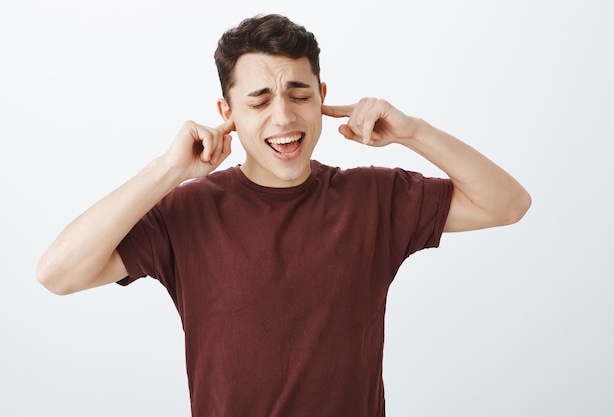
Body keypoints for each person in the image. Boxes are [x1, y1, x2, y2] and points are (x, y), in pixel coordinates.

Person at [36, 13, 531, 417]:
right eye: (260, 100)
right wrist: (167, 171)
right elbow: (57, 274)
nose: (284, 117)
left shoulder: (374, 199)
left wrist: (412, 131)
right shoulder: (188, 212)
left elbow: (507, 204)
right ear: (226, 110)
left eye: (299, 95)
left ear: (321, 97)